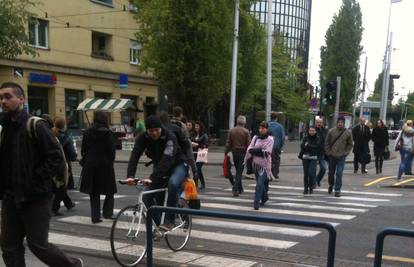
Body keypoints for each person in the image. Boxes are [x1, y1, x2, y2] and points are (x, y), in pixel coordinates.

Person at [0, 82, 83, 266]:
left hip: (35, 197)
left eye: (8, 97)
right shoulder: (5, 128)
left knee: (38, 245)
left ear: (21, 99)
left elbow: (55, 158)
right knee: (9, 246)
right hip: (11, 198)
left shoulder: (35, 125)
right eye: (1, 98)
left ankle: (73, 265)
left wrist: (35, 178)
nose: (3, 101)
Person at [127, 115, 187, 231]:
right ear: (146, 130)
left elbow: (167, 159)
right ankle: (159, 227)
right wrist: (130, 176)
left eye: (156, 130)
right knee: (146, 197)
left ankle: (170, 220)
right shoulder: (143, 138)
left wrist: (152, 178)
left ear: (161, 128)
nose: (154, 133)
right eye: (151, 131)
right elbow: (135, 156)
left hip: (178, 165)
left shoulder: (170, 137)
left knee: (173, 184)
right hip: (160, 169)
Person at [80, 111, 117, 223]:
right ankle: (107, 213)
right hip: (105, 165)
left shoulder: (87, 132)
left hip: (90, 165)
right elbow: (112, 151)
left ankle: (95, 216)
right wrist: (109, 160)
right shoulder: (108, 132)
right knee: (110, 190)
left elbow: (83, 150)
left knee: (94, 192)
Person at [51, 117, 77, 216]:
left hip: (52, 163)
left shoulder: (51, 134)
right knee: (62, 187)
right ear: (64, 126)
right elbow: (72, 154)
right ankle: (54, 208)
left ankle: (68, 203)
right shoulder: (66, 137)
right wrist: (74, 157)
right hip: (63, 164)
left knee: (58, 186)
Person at [244, 121, 273, 210]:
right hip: (255, 164)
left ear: (267, 129)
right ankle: (264, 197)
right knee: (260, 183)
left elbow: (267, 152)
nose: (261, 130)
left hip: (265, 165)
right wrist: (258, 150)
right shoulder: (256, 137)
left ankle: (256, 203)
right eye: (260, 128)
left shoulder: (270, 139)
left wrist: (256, 151)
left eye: (263, 128)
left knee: (259, 184)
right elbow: (250, 148)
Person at [325, 116, 353, 197]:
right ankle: (331, 184)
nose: (340, 124)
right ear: (337, 123)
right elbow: (326, 143)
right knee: (331, 173)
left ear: (344, 123)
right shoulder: (331, 131)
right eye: (339, 122)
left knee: (339, 173)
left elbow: (350, 144)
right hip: (332, 156)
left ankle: (337, 190)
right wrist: (328, 152)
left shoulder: (348, 133)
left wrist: (346, 153)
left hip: (341, 156)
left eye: (342, 122)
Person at [225, 115, 251, 197]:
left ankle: (240, 188)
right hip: (243, 153)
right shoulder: (246, 131)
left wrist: (226, 152)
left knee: (238, 171)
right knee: (239, 172)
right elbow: (249, 144)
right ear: (244, 122)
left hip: (234, 153)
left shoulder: (232, 131)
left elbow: (228, 143)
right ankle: (235, 189)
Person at [299, 126, 321, 194]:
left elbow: (317, 147)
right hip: (305, 157)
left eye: (313, 130)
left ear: (315, 131)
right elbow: (302, 146)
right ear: (308, 131)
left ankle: (311, 187)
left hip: (313, 158)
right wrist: (309, 146)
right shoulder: (305, 138)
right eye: (310, 130)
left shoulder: (317, 138)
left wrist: (309, 146)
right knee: (306, 174)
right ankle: (306, 188)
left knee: (311, 173)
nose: (311, 132)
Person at [191, 121, 208, 190]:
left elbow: (205, 145)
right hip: (194, 153)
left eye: (197, 126)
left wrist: (198, 145)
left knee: (197, 168)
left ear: (200, 127)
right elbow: (190, 141)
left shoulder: (204, 135)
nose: (196, 127)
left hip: (201, 154)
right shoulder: (193, 134)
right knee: (198, 170)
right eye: (195, 126)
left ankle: (195, 184)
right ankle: (203, 183)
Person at [268, 112, 285, 179]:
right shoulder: (280, 126)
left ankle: (270, 172)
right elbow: (283, 137)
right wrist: (281, 145)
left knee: (269, 159)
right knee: (277, 159)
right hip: (277, 146)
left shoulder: (267, 125)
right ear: (276, 119)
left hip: (268, 145)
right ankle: (275, 172)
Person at [315, 118, 328, 186]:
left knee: (323, 168)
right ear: (315, 123)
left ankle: (318, 179)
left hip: (322, 153)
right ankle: (313, 183)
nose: (319, 124)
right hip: (313, 152)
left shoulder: (325, 131)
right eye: (318, 122)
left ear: (322, 123)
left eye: (320, 122)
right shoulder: (312, 130)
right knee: (313, 169)